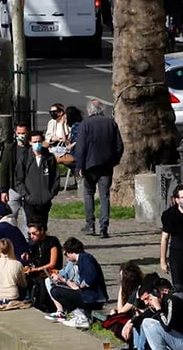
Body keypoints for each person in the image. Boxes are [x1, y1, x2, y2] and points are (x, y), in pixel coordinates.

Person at [73, 99, 124, 238]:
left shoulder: (85, 124)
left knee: (88, 194)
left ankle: (90, 224)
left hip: (90, 165)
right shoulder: (110, 123)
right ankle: (104, 227)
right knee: (104, 196)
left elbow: (81, 147)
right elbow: (119, 145)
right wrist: (114, 160)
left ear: (90, 111)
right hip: (106, 165)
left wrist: (79, 166)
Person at [42, 238, 108, 329]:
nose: (66, 257)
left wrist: (79, 286)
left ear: (70, 252)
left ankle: (81, 317)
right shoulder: (81, 259)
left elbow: (90, 278)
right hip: (89, 296)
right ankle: (74, 314)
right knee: (54, 288)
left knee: (56, 291)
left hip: (92, 298)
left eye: (65, 254)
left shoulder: (85, 258)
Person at [16, 132, 60, 227]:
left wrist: (50, 194)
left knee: (42, 227)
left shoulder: (49, 158)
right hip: (30, 201)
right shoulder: (25, 158)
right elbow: (19, 179)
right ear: (30, 142)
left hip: (45, 201)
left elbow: (55, 177)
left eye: (39, 141)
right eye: (35, 142)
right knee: (31, 227)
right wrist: (26, 195)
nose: (37, 144)